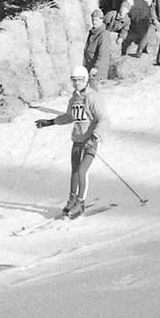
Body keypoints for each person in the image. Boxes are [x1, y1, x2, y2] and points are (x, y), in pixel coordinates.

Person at [34, 65, 107, 219]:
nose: (76, 83)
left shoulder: (93, 97)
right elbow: (70, 117)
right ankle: (72, 199)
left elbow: (104, 119)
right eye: (73, 81)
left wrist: (95, 136)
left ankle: (80, 203)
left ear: (86, 80)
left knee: (82, 171)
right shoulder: (74, 99)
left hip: (91, 140)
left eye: (79, 80)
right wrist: (50, 122)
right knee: (74, 171)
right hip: (78, 139)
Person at [83, 8, 112, 89]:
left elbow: (103, 54)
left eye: (96, 20)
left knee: (97, 89)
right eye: (92, 20)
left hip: (99, 71)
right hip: (90, 67)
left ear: (101, 20)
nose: (93, 22)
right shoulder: (92, 33)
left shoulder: (104, 35)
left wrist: (96, 67)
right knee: (91, 90)